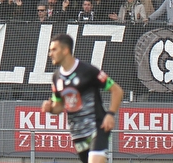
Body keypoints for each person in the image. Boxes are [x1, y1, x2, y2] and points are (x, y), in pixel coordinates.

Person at [41, 33, 122, 163]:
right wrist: (50, 108)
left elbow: (116, 90)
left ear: (66, 50)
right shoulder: (56, 78)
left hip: (97, 126)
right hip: (77, 132)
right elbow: (59, 107)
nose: (50, 54)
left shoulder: (88, 71)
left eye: (54, 49)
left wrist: (110, 114)